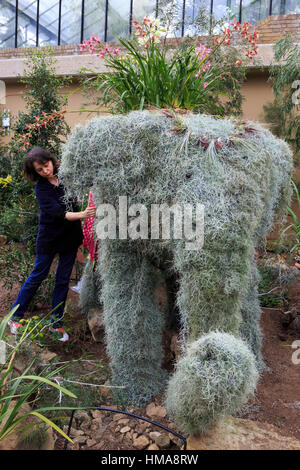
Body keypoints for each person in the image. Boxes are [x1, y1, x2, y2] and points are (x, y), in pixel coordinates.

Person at [8, 146, 96, 342]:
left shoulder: (66, 177)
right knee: (38, 275)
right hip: (49, 238)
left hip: (70, 238)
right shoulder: (41, 189)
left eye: (46, 165)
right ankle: (15, 317)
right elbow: (60, 214)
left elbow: (85, 182)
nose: (46, 171)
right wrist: (84, 214)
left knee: (63, 280)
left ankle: (56, 324)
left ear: (51, 160)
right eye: (40, 170)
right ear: (35, 172)